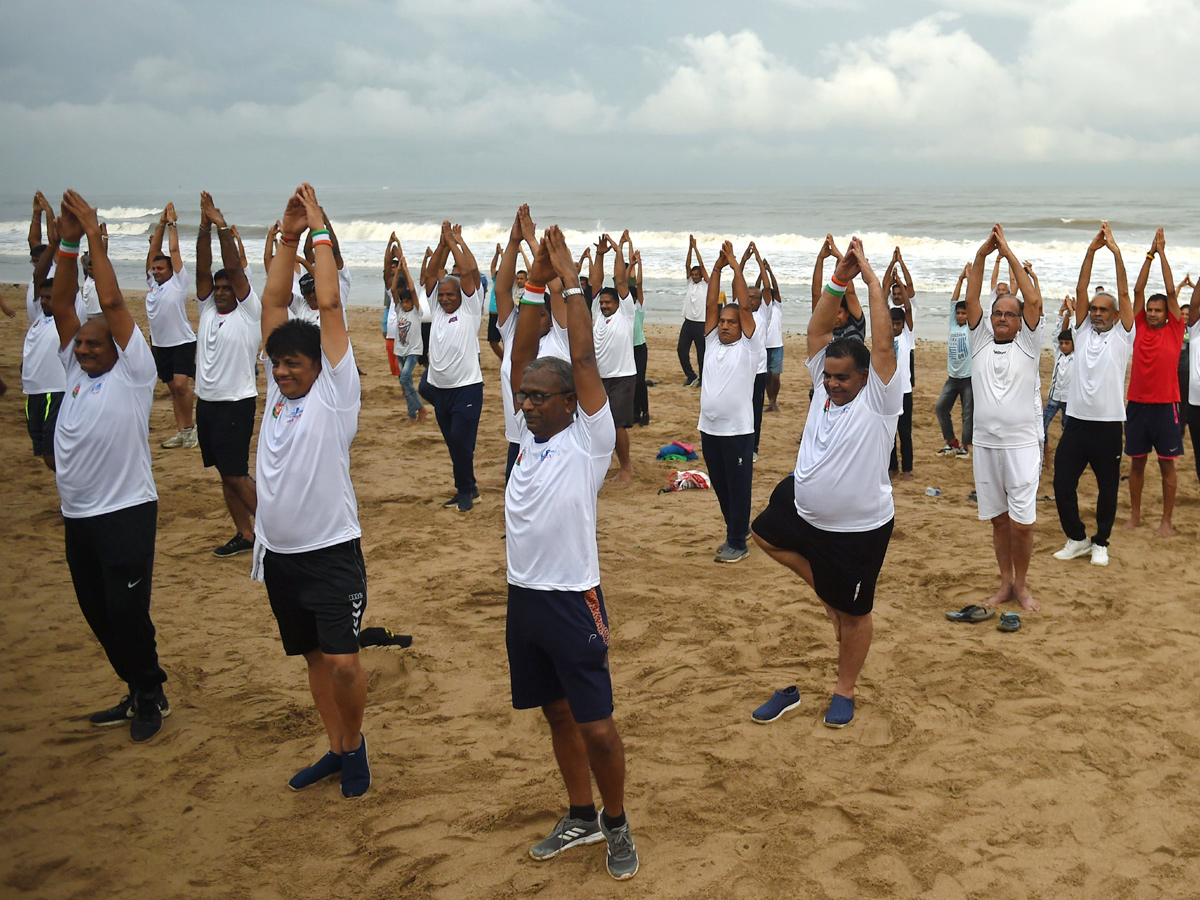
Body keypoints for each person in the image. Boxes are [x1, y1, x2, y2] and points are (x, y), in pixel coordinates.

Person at [506, 223, 638, 881]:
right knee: (554, 713)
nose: (526, 403)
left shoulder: (588, 439)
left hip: (571, 599)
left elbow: (583, 360)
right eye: (523, 394)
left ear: (568, 402)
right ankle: (580, 814)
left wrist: (573, 284)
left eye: (538, 396)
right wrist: (533, 282)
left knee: (598, 728)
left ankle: (616, 823)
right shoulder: (528, 434)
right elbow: (522, 346)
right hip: (523, 598)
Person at [750, 237, 900, 729]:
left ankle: (845, 689)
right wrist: (839, 279)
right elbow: (816, 331)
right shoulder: (823, 383)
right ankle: (832, 597)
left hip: (857, 527)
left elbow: (881, 343)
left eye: (842, 378)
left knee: (855, 617)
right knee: (763, 532)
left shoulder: (879, 398)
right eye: (828, 377)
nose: (833, 384)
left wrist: (873, 282)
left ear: (865, 377)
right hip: (805, 508)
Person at [254, 183, 370, 799]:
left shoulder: (334, 388)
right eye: (277, 365)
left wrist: (321, 231)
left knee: (346, 662)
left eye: (294, 364)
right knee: (314, 661)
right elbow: (274, 306)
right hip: (281, 556)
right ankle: (337, 748)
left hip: (331, 552)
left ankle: (357, 749)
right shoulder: (277, 390)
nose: (282, 371)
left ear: (319, 364)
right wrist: (288, 238)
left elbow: (326, 308)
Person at [51, 189, 169, 743]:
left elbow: (113, 306)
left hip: (125, 511)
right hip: (79, 516)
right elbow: (64, 305)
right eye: (80, 345)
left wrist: (97, 239)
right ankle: (133, 685)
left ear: (118, 349)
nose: (85, 349)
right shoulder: (73, 368)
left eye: (96, 344)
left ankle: (150, 693)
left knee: (127, 611)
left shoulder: (133, 373)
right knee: (98, 614)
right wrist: (68, 243)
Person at [964, 224, 1044, 611]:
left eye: (1008, 314)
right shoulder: (979, 340)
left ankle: (1024, 585)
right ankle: (1006, 583)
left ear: (1019, 320)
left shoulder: (1028, 345)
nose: (1001, 318)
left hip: (1022, 445)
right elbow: (972, 294)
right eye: (997, 313)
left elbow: (1032, 300)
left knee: (1022, 524)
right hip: (986, 446)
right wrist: (982, 255)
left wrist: (1008, 252)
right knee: (998, 521)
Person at [1053, 223, 1135, 567]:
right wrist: (1091, 251)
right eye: (1095, 309)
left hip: (1108, 425)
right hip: (1076, 422)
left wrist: (1115, 252)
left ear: (1115, 315)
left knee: (1107, 488)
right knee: (1062, 483)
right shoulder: (1083, 331)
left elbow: (1125, 293)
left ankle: (1101, 541)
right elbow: (1081, 287)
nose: (1097, 313)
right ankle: (1077, 538)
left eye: (1104, 310)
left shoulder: (1123, 336)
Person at [194, 192, 262, 558]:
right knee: (224, 473)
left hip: (236, 403)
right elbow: (203, 269)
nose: (220, 292)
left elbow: (233, 270)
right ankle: (246, 534)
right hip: (207, 404)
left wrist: (221, 227)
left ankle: (275, 533)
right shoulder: (207, 309)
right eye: (216, 289)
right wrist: (202, 229)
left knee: (236, 473)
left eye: (226, 289)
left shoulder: (249, 312)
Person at [496, 206, 571, 481]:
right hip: (518, 441)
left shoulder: (560, 338)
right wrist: (514, 241)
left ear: (551, 318)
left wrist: (531, 239)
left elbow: (556, 288)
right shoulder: (514, 335)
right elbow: (501, 290)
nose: (532, 318)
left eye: (540, 313)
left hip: (555, 440)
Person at [699, 241, 760, 564]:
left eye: (730, 322)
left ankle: (739, 540)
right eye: (722, 321)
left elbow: (744, 307)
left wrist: (736, 267)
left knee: (738, 489)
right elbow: (711, 304)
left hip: (737, 431)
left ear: (741, 326)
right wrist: (717, 269)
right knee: (721, 488)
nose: (724, 325)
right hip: (709, 429)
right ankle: (735, 531)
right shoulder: (711, 341)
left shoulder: (749, 346)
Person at [1123, 228, 1185, 536]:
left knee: (1166, 465)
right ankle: (1134, 516)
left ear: (1167, 314)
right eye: (1149, 310)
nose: (1152, 313)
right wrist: (1148, 254)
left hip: (1165, 406)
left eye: (1157, 310)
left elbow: (1172, 292)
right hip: (1137, 405)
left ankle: (1166, 521)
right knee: (1136, 464)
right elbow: (1137, 290)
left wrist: (1162, 253)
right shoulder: (1139, 328)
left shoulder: (1174, 329)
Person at [421, 220, 485, 511]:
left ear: (462, 296)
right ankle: (469, 487)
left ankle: (465, 492)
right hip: (441, 389)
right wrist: (442, 242)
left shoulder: (471, 309)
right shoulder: (436, 308)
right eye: (442, 295)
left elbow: (469, 272)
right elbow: (433, 272)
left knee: (461, 440)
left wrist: (457, 242)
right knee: (453, 444)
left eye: (451, 295)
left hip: (467, 389)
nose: (445, 298)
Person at [24, 222, 86, 471]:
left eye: (52, 297)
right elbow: (39, 275)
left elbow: (68, 279)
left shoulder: (69, 313)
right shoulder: (39, 316)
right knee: (45, 454)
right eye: (44, 297)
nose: (47, 301)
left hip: (56, 391)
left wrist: (68, 244)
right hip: (33, 392)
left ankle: (76, 489)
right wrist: (51, 244)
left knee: (54, 455)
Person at [146, 203, 198, 449]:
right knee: (172, 390)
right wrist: (159, 222)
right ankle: (182, 431)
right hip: (159, 344)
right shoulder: (153, 284)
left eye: (160, 268)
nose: (155, 271)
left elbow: (172, 249)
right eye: (154, 269)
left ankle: (191, 429)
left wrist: (172, 224)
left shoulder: (178, 282)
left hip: (182, 341)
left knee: (181, 385)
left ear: (170, 270)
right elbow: (154, 250)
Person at [592, 231, 637, 486]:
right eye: (604, 302)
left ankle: (626, 468)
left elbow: (620, 281)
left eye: (610, 302)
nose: (606, 304)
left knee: (618, 425)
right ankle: (604, 463)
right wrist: (599, 256)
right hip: (600, 377)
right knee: (599, 424)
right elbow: (596, 283)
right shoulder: (597, 313)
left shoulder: (626, 313)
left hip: (622, 377)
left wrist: (618, 252)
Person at [884, 250, 915, 479]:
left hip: (905, 389)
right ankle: (892, 466)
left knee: (905, 431)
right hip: (889, 389)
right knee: (889, 431)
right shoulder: (885, 334)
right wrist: (890, 267)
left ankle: (907, 469)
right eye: (892, 323)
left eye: (898, 323)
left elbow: (908, 304)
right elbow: (883, 290)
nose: (895, 326)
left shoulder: (907, 335)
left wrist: (901, 268)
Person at [936, 265, 973, 457]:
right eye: (958, 313)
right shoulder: (953, 325)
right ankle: (951, 441)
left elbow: (970, 302)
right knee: (941, 407)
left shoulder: (971, 329)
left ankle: (965, 447)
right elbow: (953, 302)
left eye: (963, 313)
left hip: (968, 378)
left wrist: (969, 281)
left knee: (967, 414)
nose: (960, 316)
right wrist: (960, 279)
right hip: (953, 377)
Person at [387, 245, 426, 423]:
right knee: (405, 381)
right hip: (400, 350)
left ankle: (420, 408)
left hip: (413, 350)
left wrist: (406, 268)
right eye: (403, 302)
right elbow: (394, 289)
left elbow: (411, 288)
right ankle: (412, 414)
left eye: (407, 302)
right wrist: (398, 271)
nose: (405, 304)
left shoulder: (416, 312)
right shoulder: (399, 310)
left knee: (404, 378)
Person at [1043, 297, 1076, 451]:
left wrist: (1072, 312)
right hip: (1054, 397)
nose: (1063, 346)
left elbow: (1077, 333)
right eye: (1061, 343)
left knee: (1067, 431)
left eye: (1066, 343)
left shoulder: (1077, 356)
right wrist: (1062, 312)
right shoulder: (1058, 353)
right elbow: (1057, 334)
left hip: (1070, 401)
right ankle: (1044, 451)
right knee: (1042, 425)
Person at [680, 235, 708, 385]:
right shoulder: (690, 283)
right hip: (688, 322)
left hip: (701, 323)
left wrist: (696, 248)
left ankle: (703, 378)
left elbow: (702, 266)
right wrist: (690, 248)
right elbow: (687, 265)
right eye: (693, 274)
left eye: (697, 275)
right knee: (681, 350)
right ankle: (691, 375)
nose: (695, 276)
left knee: (701, 353)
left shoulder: (706, 284)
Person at [630, 249, 650, 427]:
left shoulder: (639, 308)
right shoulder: (622, 310)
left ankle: (645, 412)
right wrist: (630, 264)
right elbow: (622, 283)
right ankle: (634, 412)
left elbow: (639, 284)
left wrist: (638, 264)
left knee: (640, 381)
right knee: (630, 381)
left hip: (639, 348)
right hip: (626, 349)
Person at [763, 257, 785, 412]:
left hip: (777, 346)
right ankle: (769, 402)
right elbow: (758, 288)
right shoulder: (759, 308)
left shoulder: (777, 305)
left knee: (775, 377)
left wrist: (769, 271)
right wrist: (761, 272)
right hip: (762, 347)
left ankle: (773, 401)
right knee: (765, 377)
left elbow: (775, 289)